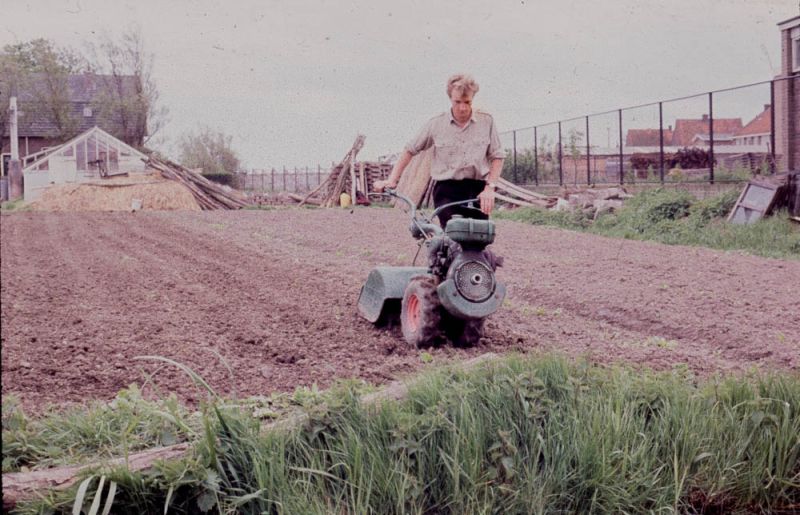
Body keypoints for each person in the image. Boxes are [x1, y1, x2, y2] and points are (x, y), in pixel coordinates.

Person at [374, 74, 505, 227]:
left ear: (473, 98)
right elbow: (410, 149)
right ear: (450, 98)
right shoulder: (436, 124)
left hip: (477, 190)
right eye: (457, 102)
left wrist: (489, 188)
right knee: (452, 235)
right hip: (447, 190)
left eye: (467, 102)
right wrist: (392, 180)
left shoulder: (486, 121)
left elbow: (498, 155)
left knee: (479, 236)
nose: (462, 108)